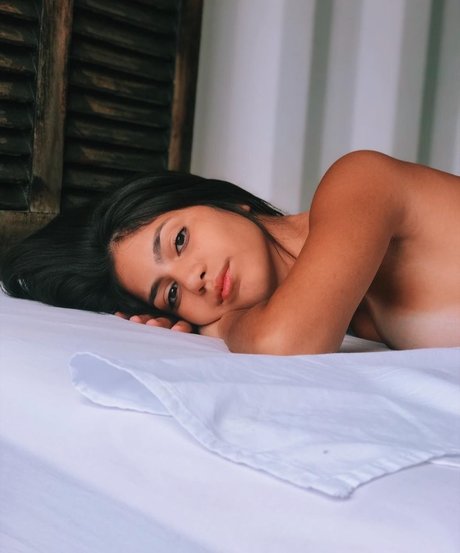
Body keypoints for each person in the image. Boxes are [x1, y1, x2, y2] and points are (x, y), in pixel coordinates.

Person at [1, 150, 459, 354]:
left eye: (179, 240)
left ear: (227, 202)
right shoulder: (342, 310)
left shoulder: (357, 182)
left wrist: (220, 326)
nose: (192, 279)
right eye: (172, 295)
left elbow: (285, 343)